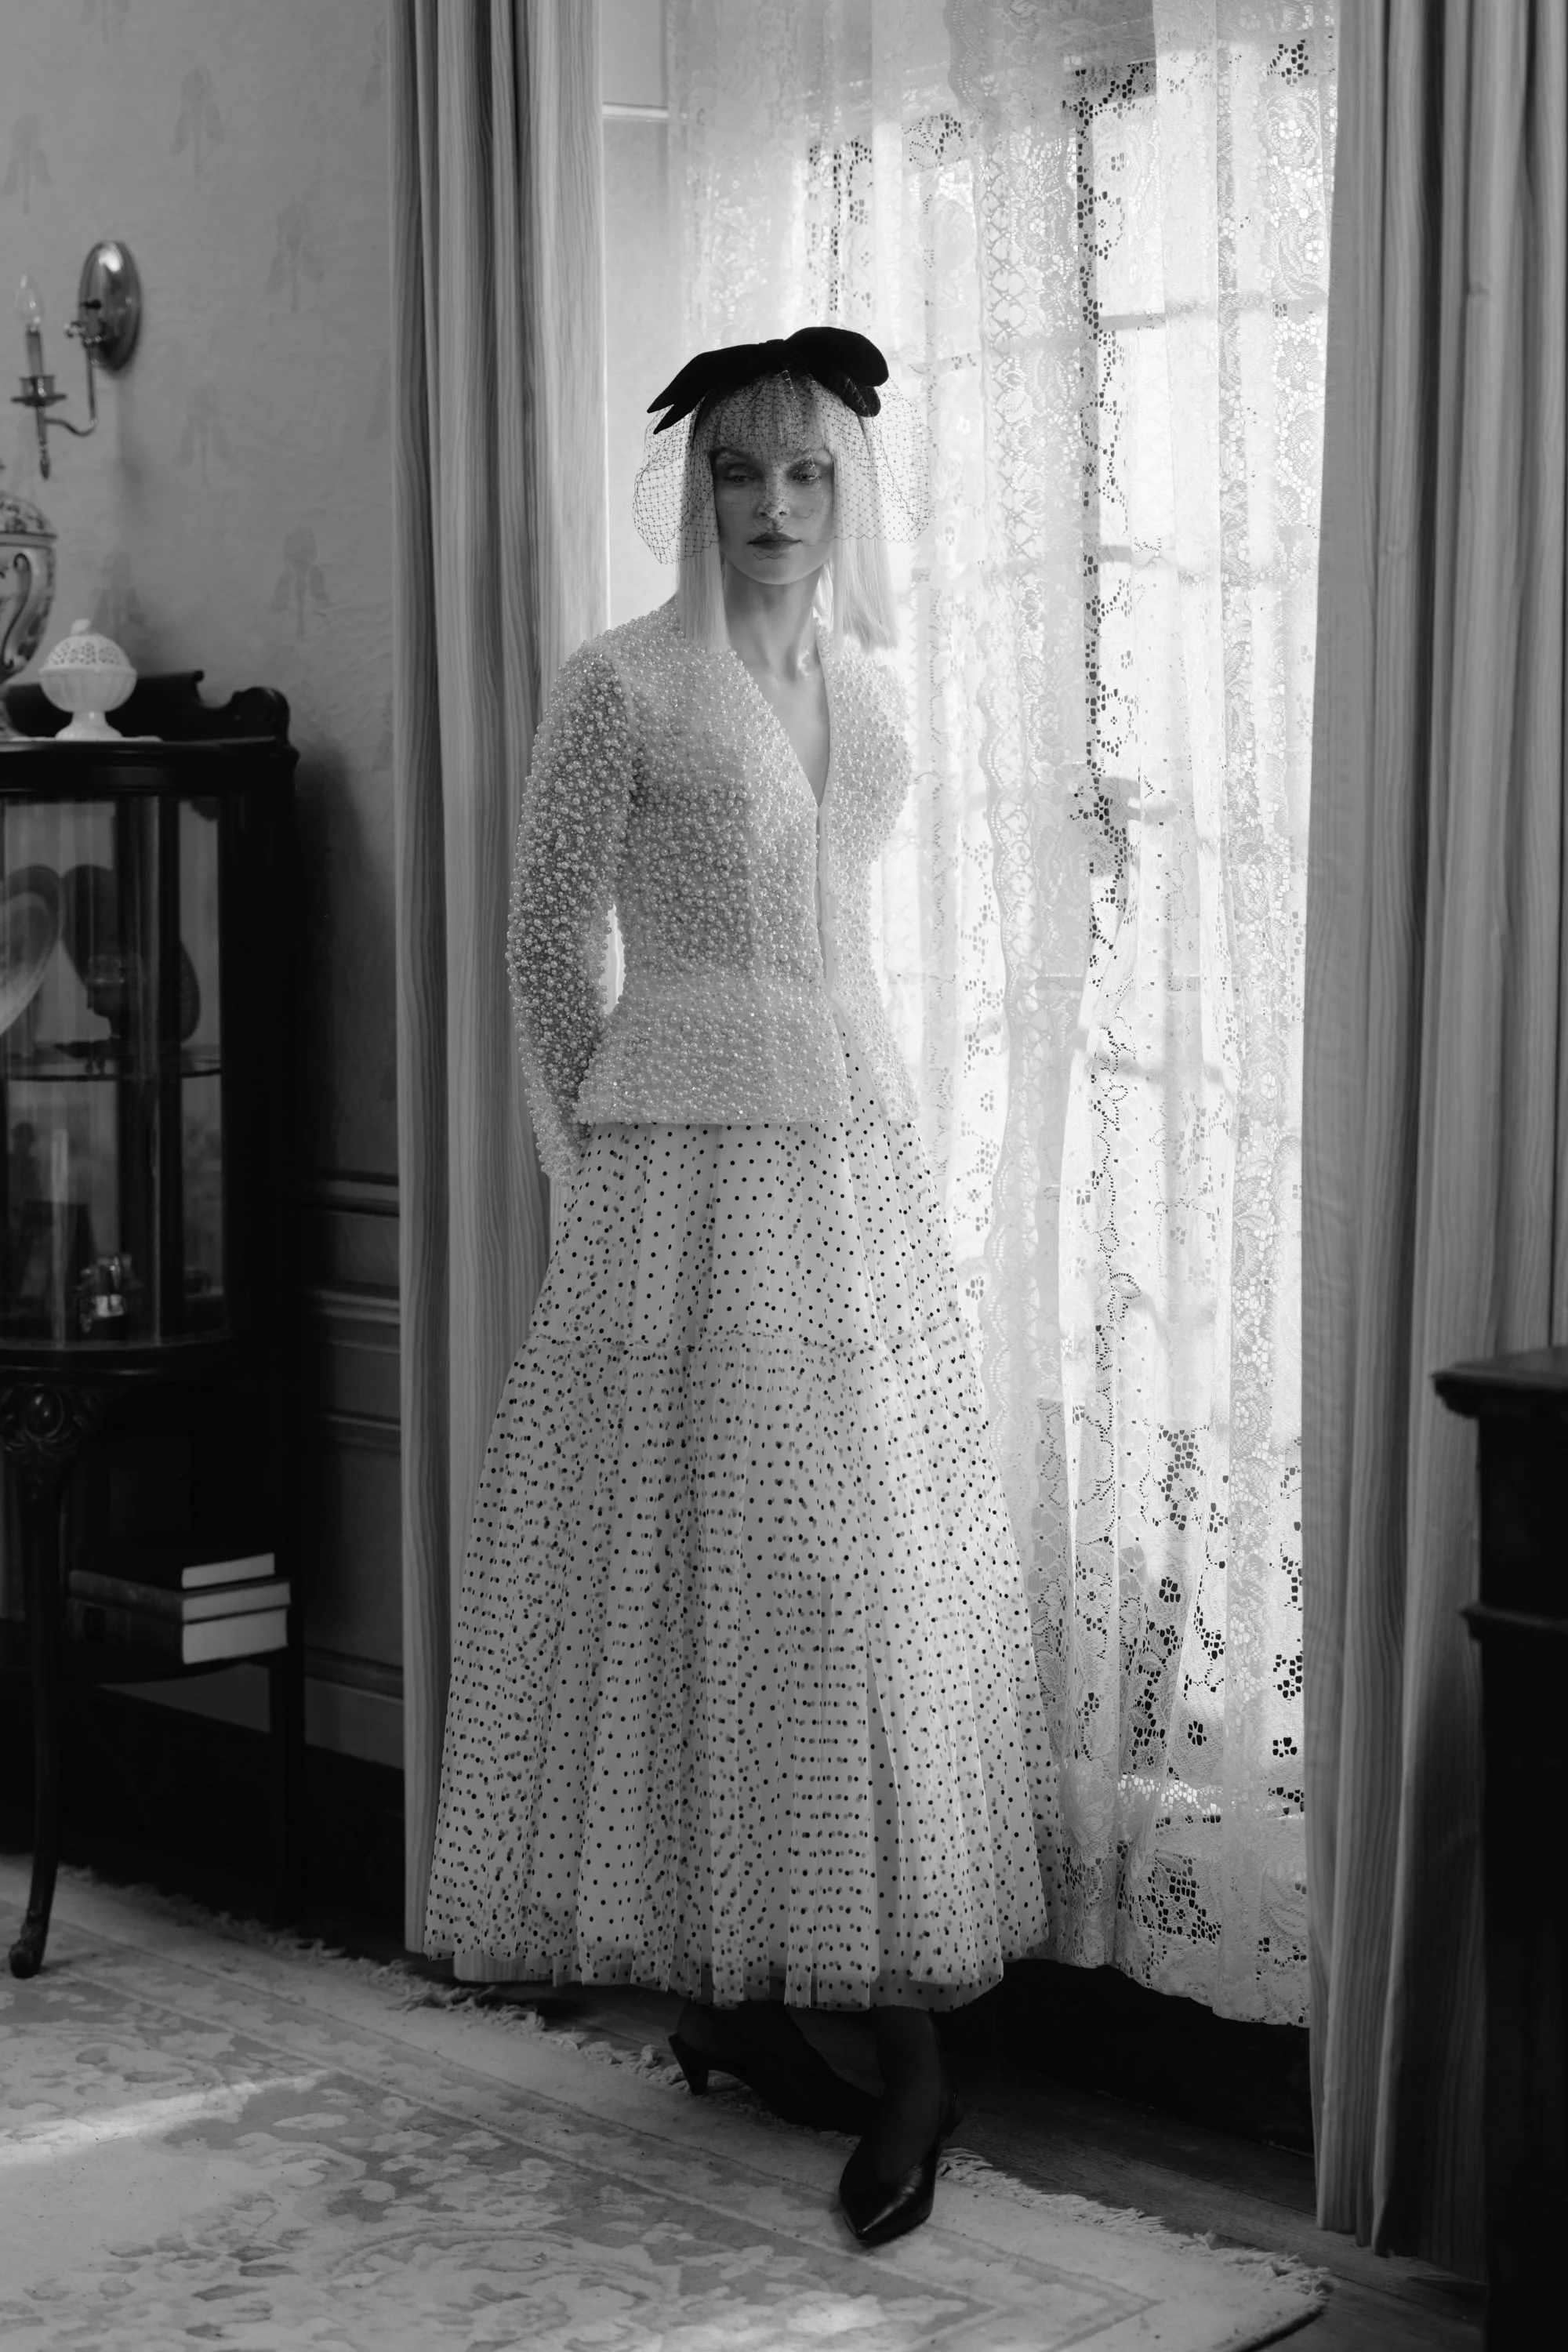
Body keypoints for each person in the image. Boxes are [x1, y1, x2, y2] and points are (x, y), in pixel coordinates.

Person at [423, 325, 1054, 2248]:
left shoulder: (869, 696)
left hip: (846, 1168)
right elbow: (545, 956)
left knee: (859, 1576)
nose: (772, 509)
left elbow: (850, 945)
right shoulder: (620, 686)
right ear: (694, 490)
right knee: (708, 1574)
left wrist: (897, 1146)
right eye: (736, 474)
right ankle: (758, 2002)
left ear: (846, 494)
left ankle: (884, 2032)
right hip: (669, 1179)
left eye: (806, 476)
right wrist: (587, 1182)